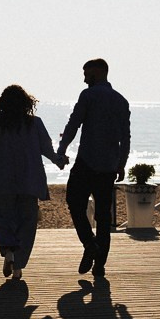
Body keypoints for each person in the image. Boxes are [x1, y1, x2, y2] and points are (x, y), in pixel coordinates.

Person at [0, 84, 66, 280]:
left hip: (2, 181)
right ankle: (18, 267)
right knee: (27, 224)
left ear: (2, 103)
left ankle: (8, 250)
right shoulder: (35, 123)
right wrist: (59, 161)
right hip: (29, 181)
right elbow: (47, 149)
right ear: (27, 103)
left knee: (4, 219)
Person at [56, 58, 130, 279]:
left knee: (74, 202)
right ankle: (99, 264)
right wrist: (122, 163)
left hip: (86, 162)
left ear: (96, 73)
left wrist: (62, 148)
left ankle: (89, 245)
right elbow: (125, 137)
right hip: (109, 166)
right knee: (103, 217)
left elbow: (74, 124)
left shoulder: (88, 95)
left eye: (86, 74)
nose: (84, 79)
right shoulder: (121, 101)